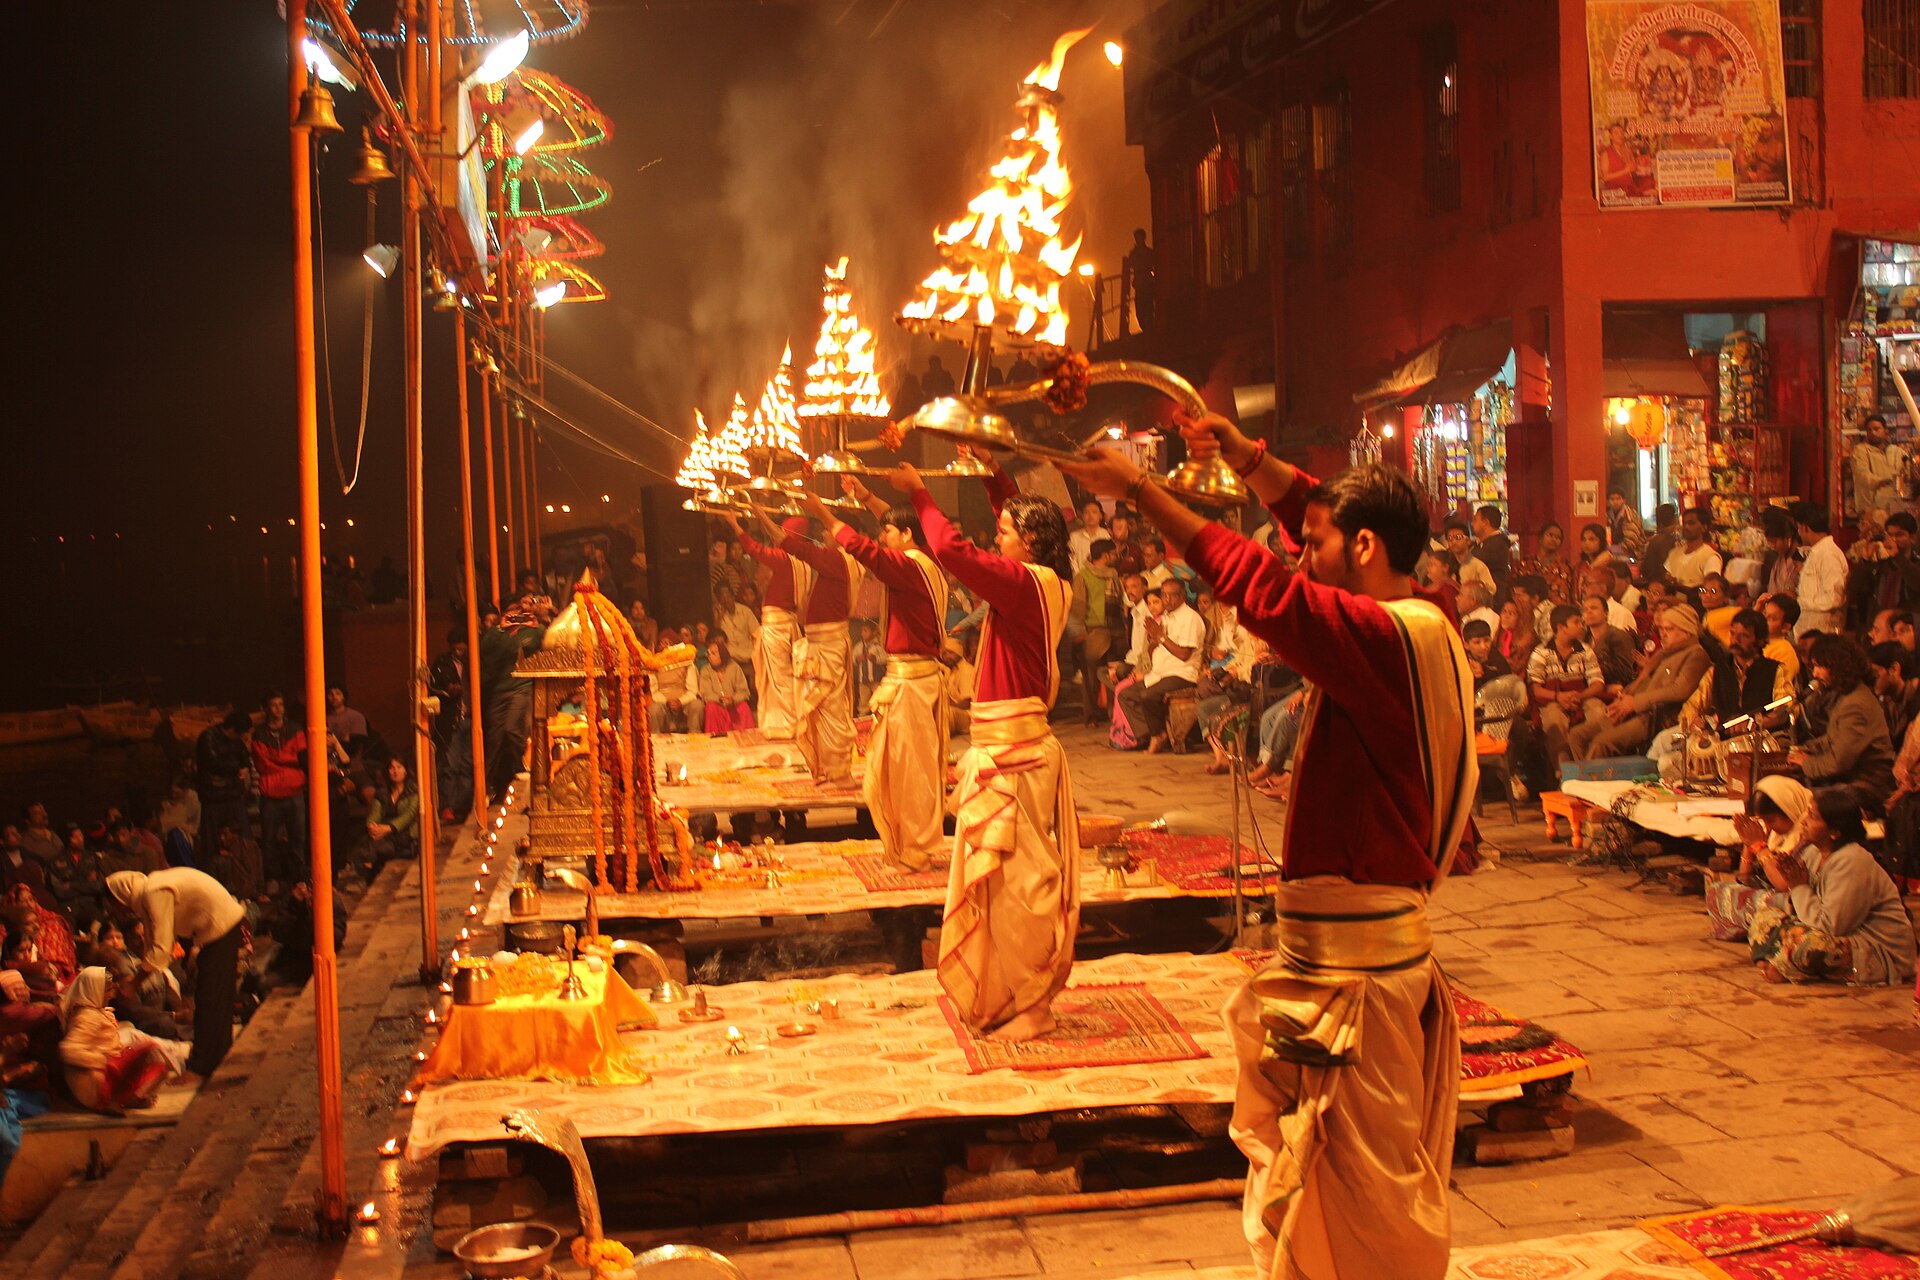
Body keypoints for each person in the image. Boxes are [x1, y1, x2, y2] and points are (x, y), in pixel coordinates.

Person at [1062, 416, 1473, 1280]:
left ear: (1365, 547)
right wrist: (1249, 460)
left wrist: (1141, 492)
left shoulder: (1384, 638)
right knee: (1325, 1189)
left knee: (1361, 1203)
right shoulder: (1410, 619)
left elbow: (1264, 591)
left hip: (1362, 981)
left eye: (1313, 543)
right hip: (1345, 964)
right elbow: (1309, 531)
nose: (1299, 550)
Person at [881, 460, 1075, 1044]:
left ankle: (1037, 1004)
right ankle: (1013, 995)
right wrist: (992, 475)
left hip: (1014, 756)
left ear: (1032, 541)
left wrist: (919, 491)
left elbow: (952, 548)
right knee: (1000, 885)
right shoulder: (1042, 581)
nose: (999, 538)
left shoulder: (1023, 584)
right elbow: (1001, 520)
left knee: (1019, 886)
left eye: (1007, 532)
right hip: (1005, 747)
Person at [805, 485, 951, 870]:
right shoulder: (927, 558)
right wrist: (869, 497)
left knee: (906, 772)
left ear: (906, 537)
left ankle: (914, 849)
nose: (881, 537)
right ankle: (908, 845)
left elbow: (863, 549)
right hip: (913, 681)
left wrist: (821, 510)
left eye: (888, 532)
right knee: (898, 768)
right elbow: (902, 523)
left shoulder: (907, 567)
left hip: (912, 686)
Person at [1745, 789, 1915, 986]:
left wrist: (1799, 887)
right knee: (1765, 917)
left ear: (1834, 832)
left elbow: (1832, 927)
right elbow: (1800, 909)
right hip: (1839, 936)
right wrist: (1794, 888)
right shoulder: (1813, 853)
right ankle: (1778, 962)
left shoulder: (1853, 860)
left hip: (1877, 953)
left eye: (1814, 817)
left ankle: (1782, 965)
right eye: (1808, 813)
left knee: (1808, 943)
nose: (1804, 821)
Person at [750, 509, 863, 783]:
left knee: (831, 710)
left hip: (828, 646)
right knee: (822, 710)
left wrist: (760, 516)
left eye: (828, 530)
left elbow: (792, 546)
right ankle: (828, 767)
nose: (822, 534)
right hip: (823, 644)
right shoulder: (841, 560)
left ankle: (839, 772)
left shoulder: (839, 559)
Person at [106, 869, 246, 1079]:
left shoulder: (154, 891)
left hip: (220, 926)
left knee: (210, 999)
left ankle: (201, 1066)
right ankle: (217, 1056)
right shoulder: (150, 892)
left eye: (115, 908)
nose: (119, 914)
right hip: (214, 930)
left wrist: (134, 984)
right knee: (214, 996)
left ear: (121, 896)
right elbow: (155, 945)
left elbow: (162, 948)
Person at [1570, 604, 1710, 759]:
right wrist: (1624, 697)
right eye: (1661, 629)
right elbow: (1645, 682)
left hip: (1654, 717)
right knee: (1576, 735)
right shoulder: (1665, 653)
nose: (1663, 634)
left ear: (1686, 630)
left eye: (1669, 629)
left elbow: (1679, 690)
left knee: (1600, 743)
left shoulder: (1695, 654)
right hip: (1635, 709)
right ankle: (1579, 779)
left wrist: (1634, 703)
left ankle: (1589, 782)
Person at [1790, 634, 1897, 813]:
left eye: (1819, 666)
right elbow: (1832, 739)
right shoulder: (1847, 696)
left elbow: (1839, 762)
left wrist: (1806, 762)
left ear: (1838, 665)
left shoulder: (1856, 703)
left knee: (1797, 801)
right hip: (1852, 781)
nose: (1814, 674)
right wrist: (1804, 749)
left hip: (1867, 788)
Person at [731, 513, 811, 739]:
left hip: (778, 628)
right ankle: (786, 724)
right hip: (789, 625)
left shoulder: (786, 558)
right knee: (784, 676)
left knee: (780, 678)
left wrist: (735, 525)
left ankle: (788, 726)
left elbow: (755, 550)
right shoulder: (804, 562)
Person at [58, 967, 170, 1114]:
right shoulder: (87, 1016)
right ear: (95, 990)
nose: (111, 995)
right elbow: (68, 1050)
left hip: (110, 1074)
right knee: (145, 1048)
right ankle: (107, 1102)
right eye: (108, 990)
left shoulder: (99, 1012)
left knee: (159, 1068)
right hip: (95, 1080)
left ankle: (129, 1098)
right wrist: (102, 1060)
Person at [1118, 578, 1207, 752]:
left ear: (1182, 595)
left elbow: (1183, 654)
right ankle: (1156, 733)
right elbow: (1156, 649)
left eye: (1171, 595)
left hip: (1182, 673)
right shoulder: (1166, 616)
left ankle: (1157, 735)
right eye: (1164, 595)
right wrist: (1153, 640)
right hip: (1160, 672)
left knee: (1147, 695)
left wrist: (1161, 637)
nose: (1166, 600)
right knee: (1126, 695)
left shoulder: (1190, 618)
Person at [479, 597, 550, 801]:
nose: (516, 617)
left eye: (519, 612)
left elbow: (545, 641)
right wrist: (500, 629)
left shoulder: (533, 631)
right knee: (494, 740)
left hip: (522, 686)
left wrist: (539, 621)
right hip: (500, 689)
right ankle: (487, 787)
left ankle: (529, 763)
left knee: (512, 727)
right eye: (511, 614)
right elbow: (484, 649)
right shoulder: (498, 633)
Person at [1527, 605, 1605, 777]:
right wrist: (1559, 696)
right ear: (1561, 628)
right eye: (1576, 622)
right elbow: (1536, 690)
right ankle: (1563, 771)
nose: (1581, 626)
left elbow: (1597, 683)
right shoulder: (1541, 653)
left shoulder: (1585, 651)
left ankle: (1592, 767)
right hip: (1553, 700)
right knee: (1554, 719)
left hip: (1582, 698)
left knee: (1599, 712)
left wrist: (1580, 696)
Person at [1067, 538, 1125, 725]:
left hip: (1114, 630)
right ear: (1105, 556)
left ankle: (1113, 714)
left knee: (1113, 676)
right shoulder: (1083, 576)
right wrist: (1080, 634)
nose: (1117, 557)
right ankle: (1092, 715)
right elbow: (1077, 609)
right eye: (1114, 554)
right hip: (1093, 633)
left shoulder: (1113, 575)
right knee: (1090, 678)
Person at [249, 693, 305, 885]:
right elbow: (262, 764)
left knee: (298, 837)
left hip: (294, 791)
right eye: (273, 705)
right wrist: (288, 759)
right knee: (269, 839)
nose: (278, 709)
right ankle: (272, 878)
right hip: (271, 794)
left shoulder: (295, 729)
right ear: (265, 709)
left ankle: (299, 878)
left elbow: (302, 757)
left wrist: (275, 757)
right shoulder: (259, 734)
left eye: (281, 704)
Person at [427, 627, 474, 823]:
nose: (459, 652)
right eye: (456, 649)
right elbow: (435, 686)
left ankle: (462, 807)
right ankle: (447, 807)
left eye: (462, 649)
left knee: (468, 766)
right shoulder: (442, 663)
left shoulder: (474, 663)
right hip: (451, 721)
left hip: (471, 719)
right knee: (450, 766)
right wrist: (449, 689)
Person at [1791, 500, 1848, 637]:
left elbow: (1833, 599)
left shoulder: (1828, 554)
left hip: (1822, 632)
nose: (1799, 533)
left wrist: (1799, 600)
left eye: (1798, 528)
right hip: (1808, 630)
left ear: (1805, 528)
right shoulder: (1816, 552)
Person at [365, 756, 420, 871]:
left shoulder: (413, 790)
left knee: (374, 847)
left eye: (399, 767)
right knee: (368, 841)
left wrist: (389, 828)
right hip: (384, 833)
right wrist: (372, 825)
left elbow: (409, 816)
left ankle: (367, 869)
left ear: (405, 771)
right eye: (392, 768)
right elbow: (375, 812)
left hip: (405, 834)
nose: (395, 771)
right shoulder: (383, 792)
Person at [648, 627, 703, 731]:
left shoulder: (687, 663)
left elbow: (693, 691)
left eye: (668, 643)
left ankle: (695, 739)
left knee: (697, 705)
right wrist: (667, 701)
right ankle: (656, 744)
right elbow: (653, 692)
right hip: (664, 703)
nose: (664, 647)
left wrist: (680, 701)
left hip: (684, 704)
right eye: (662, 643)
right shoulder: (655, 665)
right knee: (654, 710)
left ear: (675, 646)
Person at [1850, 414, 1906, 516]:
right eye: (1869, 430)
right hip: (1870, 510)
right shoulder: (1860, 450)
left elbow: (1906, 472)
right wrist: (1880, 481)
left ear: (1886, 431)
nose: (1873, 433)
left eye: (1877, 429)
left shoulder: (1897, 452)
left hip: (1895, 508)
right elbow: (1861, 474)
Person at [698, 637, 755, 734]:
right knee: (711, 708)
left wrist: (732, 700)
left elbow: (743, 691)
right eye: (708, 653)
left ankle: (746, 737)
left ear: (722, 655)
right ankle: (715, 740)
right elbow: (705, 693)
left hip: (733, 705)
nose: (709, 656)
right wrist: (720, 699)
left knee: (744, 707)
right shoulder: (706, 670)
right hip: (717, 706)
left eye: (713, 653)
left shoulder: (735, 668)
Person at [1582, 592, 1640, 687]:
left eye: (1594, 608)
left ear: (1606, 614)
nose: (1589, 612)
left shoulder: (1619, 636)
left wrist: (1592, 669)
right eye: (1585, 609)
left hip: (1618, 687)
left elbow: (1625, 671)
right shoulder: (1585, 638)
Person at [712, 583, 760, 696]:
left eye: (727, 596)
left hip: (748, 648)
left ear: (733, 596)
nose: (725, 600)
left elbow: (757, 632)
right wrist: (719, 616)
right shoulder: (719, 614)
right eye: (722, 598)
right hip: (731, 652)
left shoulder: (745, 611)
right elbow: (716, 634)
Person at [1871, 642, 1920, 743]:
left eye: (1875, 674)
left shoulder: (1916, 701)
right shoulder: (1887, 705)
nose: (1871, 680)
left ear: (1894, 669)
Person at [1664, 507, 1723, 588]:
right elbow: (1667, 577)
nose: (1686, 527)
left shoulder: (1710, 557)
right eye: (1684, 523)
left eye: (1691, 523)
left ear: (1704, 527)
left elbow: (1711, 589)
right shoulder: (1674, 553)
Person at [1522, 521, 1574, 605]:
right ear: (1540, 538)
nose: (1554, 539)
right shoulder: (1527, 562)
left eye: (1558, 537)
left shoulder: (1565, 566)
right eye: (1550, 535)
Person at [1442, 517, 1494, 595]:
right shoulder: (1447, 565)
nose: (1454, 542)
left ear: (1468, 541)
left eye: (1458, 537)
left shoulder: (1477, 565)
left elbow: (1491, 590)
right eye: (1450, 538)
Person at [1471, 505, 1512, 592]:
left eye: (1475, 520)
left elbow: (1472, 563)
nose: (1472, 523)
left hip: (1492, 598)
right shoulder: (1482, 543)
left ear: (1485, 522)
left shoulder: (1497, 544)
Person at [1123, 227, 1156, 331]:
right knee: (1141, 310)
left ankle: (1148, 330)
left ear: (1143, 238)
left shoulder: (1147, 253)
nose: (1138, 240)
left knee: (1148, 308)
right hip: (1141, 285)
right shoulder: (1135, 253)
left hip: (1147, 284)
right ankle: (1147, 329)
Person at [1642, 503, 1680, 584]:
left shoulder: (1655, 540)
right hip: (1662, 585)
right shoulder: (1666, 540)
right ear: (1674, 519)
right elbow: (1665, 569)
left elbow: (1645, 569)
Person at [1068, 498, 1107, 573]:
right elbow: (1071, 560)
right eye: (1086, 512)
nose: (1090, 515)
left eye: (1094, 512)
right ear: (1082, 516)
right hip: (1080, 578)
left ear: (1100, 516)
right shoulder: (1074, 537)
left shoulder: (1105, 535)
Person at [1606, 490, 1645, 558]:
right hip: (1613, 552)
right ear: (1608, 502)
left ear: (1624, 500)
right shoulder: (1607, 516)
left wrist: (1611, 549)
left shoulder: (1631, 516)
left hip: (1634, 553)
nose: (1615, 502)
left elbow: (1631, 542)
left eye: (1618, 498)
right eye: (1612, 499)